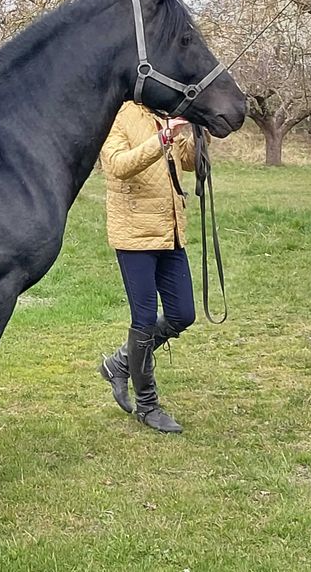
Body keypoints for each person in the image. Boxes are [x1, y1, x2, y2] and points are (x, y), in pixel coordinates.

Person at [98, 101, 204, 434]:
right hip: (134, 236)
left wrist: (195, 132)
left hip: (170, 232)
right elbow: (117, 165)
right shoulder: (119, 114)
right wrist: (161, 139)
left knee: (182, 314)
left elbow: (188, 163)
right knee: (143, 321)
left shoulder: (165, 115)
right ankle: (147, 405)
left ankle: (119, 363)